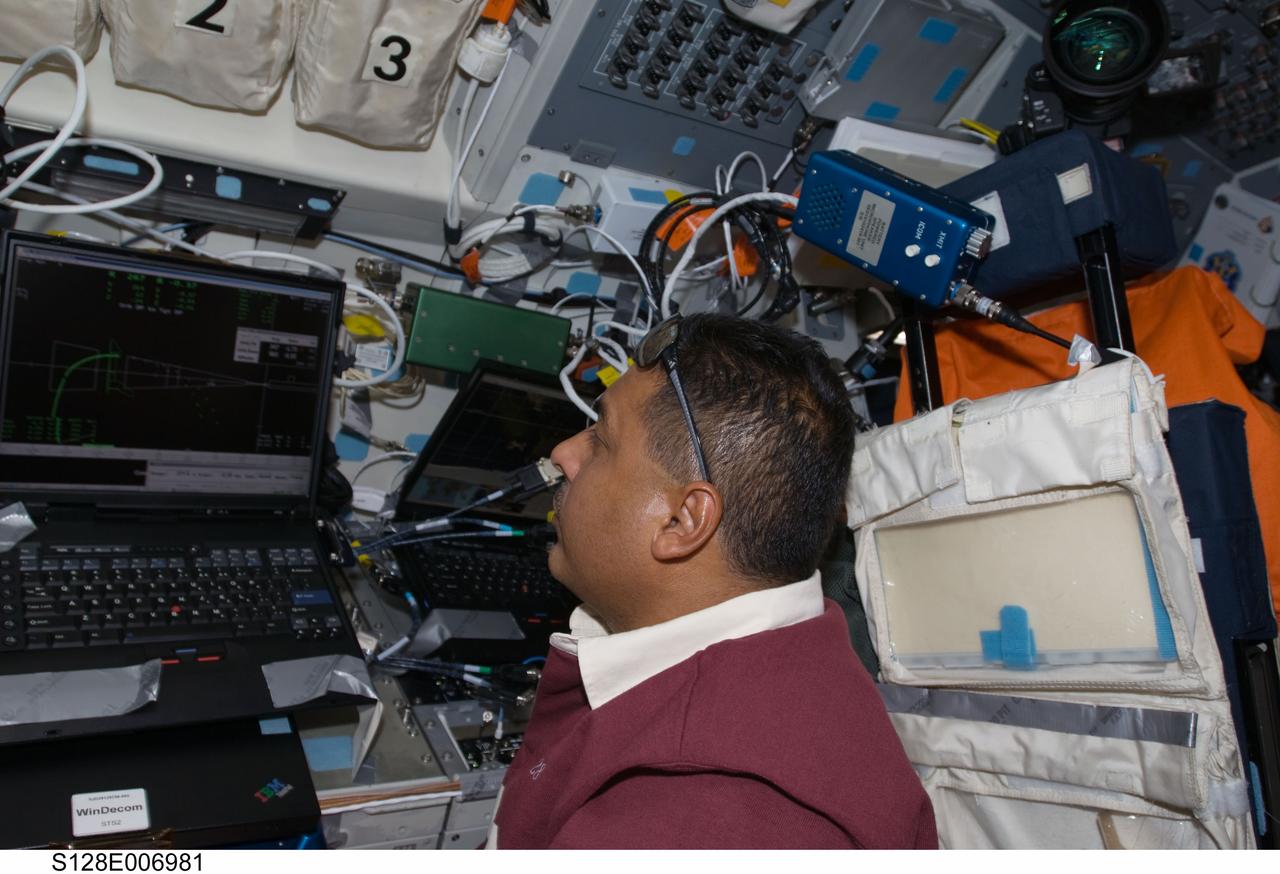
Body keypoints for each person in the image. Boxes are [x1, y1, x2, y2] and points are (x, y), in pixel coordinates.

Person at [488, 314, 936, 849]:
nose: (565, 453)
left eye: (601, 440)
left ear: (682, 522)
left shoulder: (693, 812)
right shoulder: (802, 648)